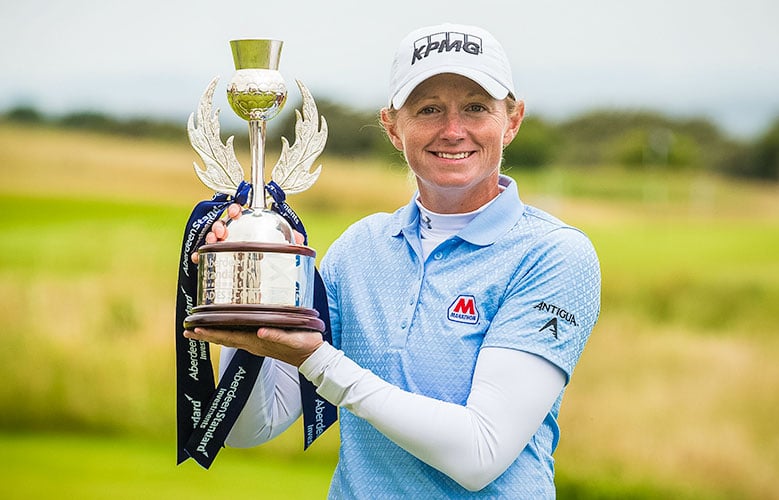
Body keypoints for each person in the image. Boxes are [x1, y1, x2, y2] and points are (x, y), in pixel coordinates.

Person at [185, 22, 601, 499]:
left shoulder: (554, 254)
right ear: (391, 125)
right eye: (428, 109)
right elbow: (251, 428)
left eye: (475, 107)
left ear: (512, 119)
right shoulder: (359, 247)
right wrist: (251, 293)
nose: (453, 130)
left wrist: (319, 360)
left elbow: (480, 453)